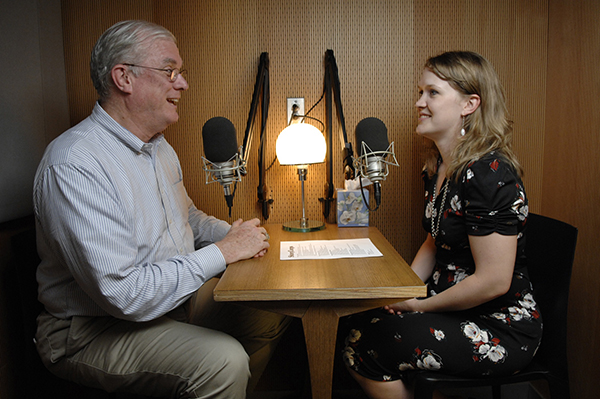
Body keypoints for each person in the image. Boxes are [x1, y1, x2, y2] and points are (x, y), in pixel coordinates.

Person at [33, 20, 290, 398]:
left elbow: (186, 216)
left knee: (275, 306)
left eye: (180, 73)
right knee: (223, 361)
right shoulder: (75, 164)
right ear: (123, 77)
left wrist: (236, 237)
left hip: (170, 303)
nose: (182, 83)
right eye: (170, 71)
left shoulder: (159, 147)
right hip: (92, 329)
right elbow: (125, 295)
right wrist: (224, 252)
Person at [339, 51, 542, 399]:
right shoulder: (437, 167)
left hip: (497, 324)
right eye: (420, 92)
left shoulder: (488, 172)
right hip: (450, 305)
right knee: (354, 320)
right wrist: (404, 292)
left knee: (364, 346)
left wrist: (419, 306)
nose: (420, 102)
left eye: (432, 93)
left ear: (469, 104)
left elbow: (494, 281)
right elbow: (434, 241)